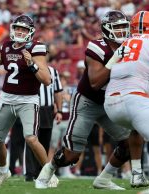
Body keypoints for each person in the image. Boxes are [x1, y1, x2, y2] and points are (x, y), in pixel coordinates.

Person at [35, 10, 146, 190]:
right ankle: (49, 168)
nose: (121, 32)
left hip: (112, 102)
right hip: (88, 102)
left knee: (130, 140)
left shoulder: (133, 45)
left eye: (124, 27)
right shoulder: (97, 47)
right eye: (117, 28)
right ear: (106, 30)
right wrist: (116, 57)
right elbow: (95, 83)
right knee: (71, 156)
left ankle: (104, 179)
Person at [0, 14, 51, 186]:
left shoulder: (37, 48)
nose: (20, 31)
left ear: (30, 32)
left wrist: (31, 64)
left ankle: (48, 173)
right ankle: (3, 171)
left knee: (31, 138)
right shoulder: (7, 47)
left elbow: (46, 79)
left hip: (28, 100)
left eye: (23, 29)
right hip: (7, 98)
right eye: (17, 28)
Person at [102, 11, 149, 193]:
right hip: (134, 99)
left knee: (135, 132)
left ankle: (106, 177)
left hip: (111, 104)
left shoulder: (125, 43)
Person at [24, 60, 63, 181]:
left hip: (47, 109)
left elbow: (57, 91)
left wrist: (60, 110)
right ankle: (30, 173)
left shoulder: (53, 71)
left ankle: (41, 171)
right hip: (32, 107)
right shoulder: (28, 69)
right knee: (32, 140)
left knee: (45, 140)